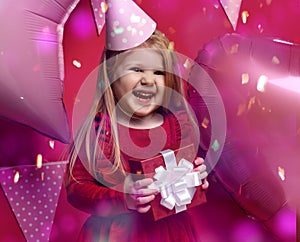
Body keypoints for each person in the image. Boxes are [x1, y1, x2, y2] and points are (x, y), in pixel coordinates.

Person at [65, 28, 209, 242]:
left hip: (170, 233)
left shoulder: (178, 125)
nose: (148, 80)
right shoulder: (101, 129)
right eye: (137, 69)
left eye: (158, 73)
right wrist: (122, 196)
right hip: (115, 235)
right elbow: (76, 190)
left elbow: (181, 177)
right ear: (112, 74)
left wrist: (195, 177)